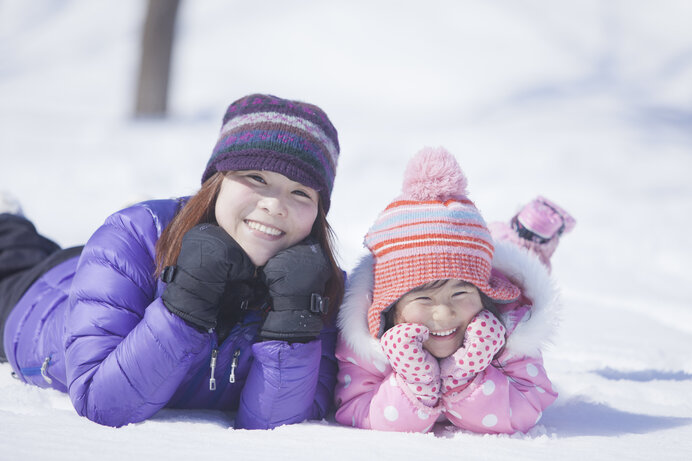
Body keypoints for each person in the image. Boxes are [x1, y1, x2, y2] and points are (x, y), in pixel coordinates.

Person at [0, 93, 344, 429]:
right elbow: (100, 402)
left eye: (300, 192)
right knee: (13, 254)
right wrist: (186, 303)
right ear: (217, 181)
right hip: (37, 296)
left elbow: (278, 429)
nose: (274, 205)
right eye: (257, 178)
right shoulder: (132, 234)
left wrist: (293, 322)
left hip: (108, 269)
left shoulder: (316, 286)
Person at [334, 146, 574, 433]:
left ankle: (527, 239)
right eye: (424, 297)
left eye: (460, 293)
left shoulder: (509, 329)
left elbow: (526, 409)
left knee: (520, 258)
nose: (444, 311)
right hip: (469, 252)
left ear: (485, 295)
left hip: (482, 258)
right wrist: (414, 382)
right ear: (391, 305)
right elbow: (355, 409)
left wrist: (466, 375)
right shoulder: (367, 342)